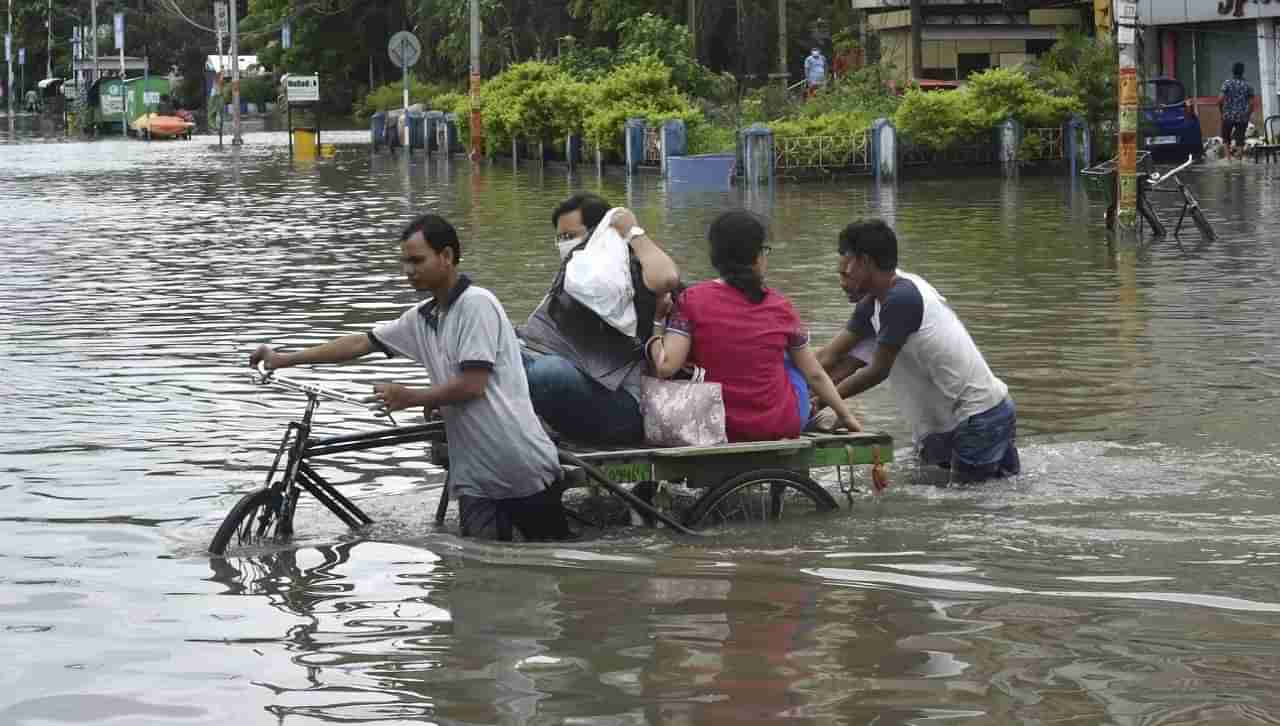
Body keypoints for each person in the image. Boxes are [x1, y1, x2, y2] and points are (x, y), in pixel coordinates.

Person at [249, 214, 573, 542]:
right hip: (476, 476)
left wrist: (412, 397)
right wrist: (284, 359)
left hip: (517, 465)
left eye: (417, 261)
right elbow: (361, 343)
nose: (408, 271)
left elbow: (473, 384)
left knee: (557, 561)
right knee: (481, 579)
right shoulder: (422, 318)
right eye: (404, 262)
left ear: (446, 257)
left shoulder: (477, 305)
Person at [817, 220, 1019, 482]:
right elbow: (830, 359)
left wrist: (824, 400)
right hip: (953, 422)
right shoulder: (874, 302)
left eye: (846, 266)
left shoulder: (902, 298)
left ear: (865, 261)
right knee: (985, 499)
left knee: (965, 511)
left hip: (977, 418)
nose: (843, 277)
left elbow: (877, 370)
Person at [647, 210, 860, 442]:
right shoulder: (781, 307)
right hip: (780, 424)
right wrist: (845, 415)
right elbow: (815, 374)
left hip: (719, 426)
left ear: (715, 255)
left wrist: (657, 322)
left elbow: (665, 367)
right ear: (757, 257)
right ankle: (807, 415)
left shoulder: (691, 300)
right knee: (791, 360)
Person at [520, 193, 680, 444]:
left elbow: (668, 279)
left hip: (625, 407)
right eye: (560, 238)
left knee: (548, 374)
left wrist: (631, 231)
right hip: (581, 388)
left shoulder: (632, 272)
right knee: (498, 343)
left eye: (571, 236)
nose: (565, 244)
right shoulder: (574, 282)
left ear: (601, 232)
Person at [1219, 61, 1254, 161]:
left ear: (1233, 71)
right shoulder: (1247, 85)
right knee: (1240, 139)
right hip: (1242, 116)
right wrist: (1248, 114)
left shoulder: (1227, 83)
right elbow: (1251, 104)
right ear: (1243, 72)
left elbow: (1220, 100)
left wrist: (1222, 112)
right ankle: (1239, 159)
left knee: (1226, 137)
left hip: (1228, 115)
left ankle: (1228, 159)